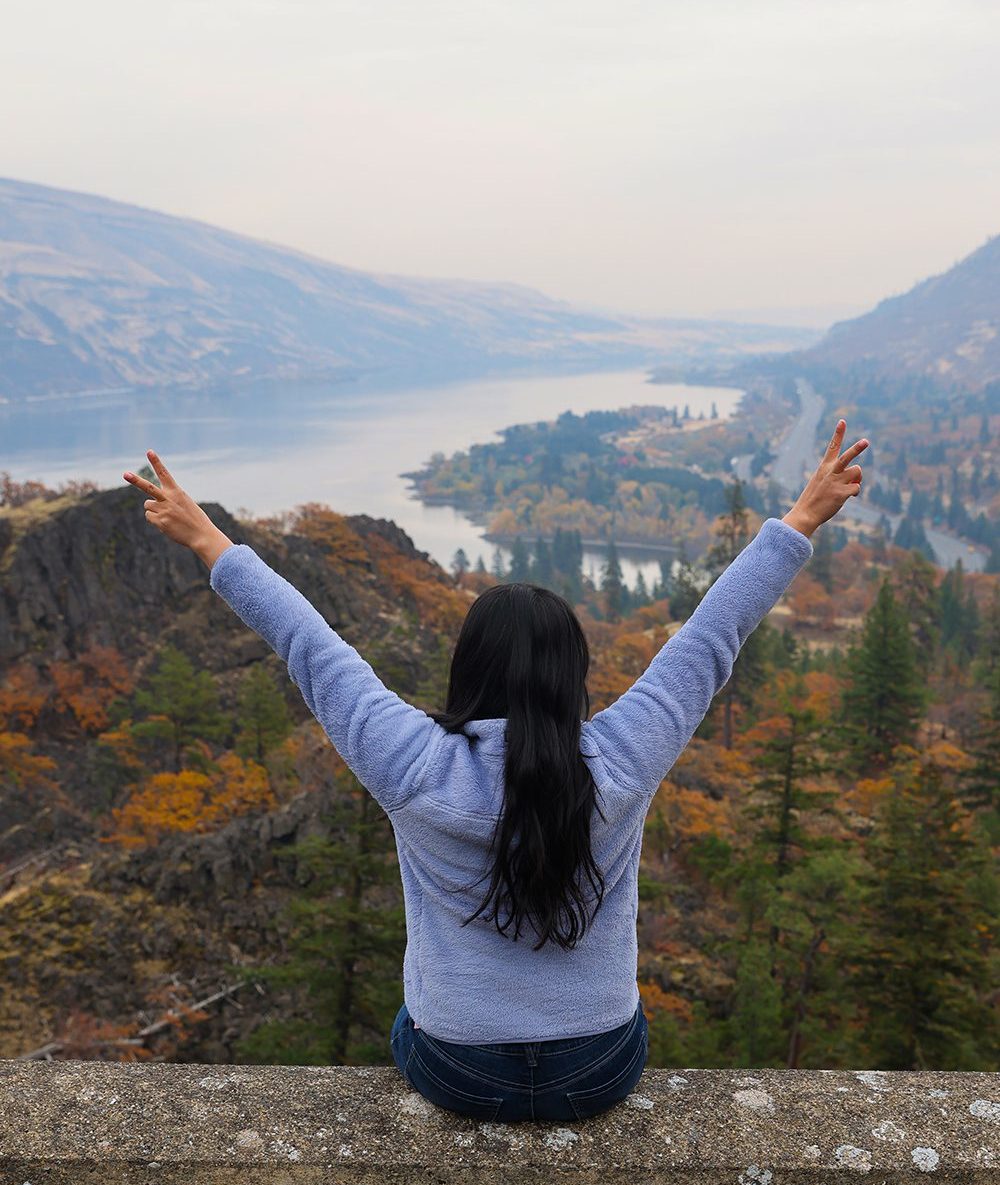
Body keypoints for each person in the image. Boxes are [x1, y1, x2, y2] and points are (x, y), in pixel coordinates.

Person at [123, 418, 867, 1123]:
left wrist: (208, 539)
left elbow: (307, 643)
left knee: (411, 1015)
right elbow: (710, 638)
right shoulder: (623, 757)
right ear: (573, 674)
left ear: (467, 668)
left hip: (459, 1069)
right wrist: (800, 519)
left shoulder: (411, 762)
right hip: (600, 1066)